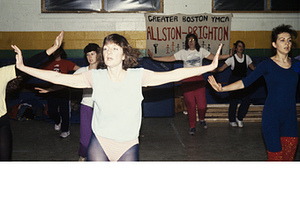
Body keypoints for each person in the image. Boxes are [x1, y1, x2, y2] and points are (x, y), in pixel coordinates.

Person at [12, 33, 222, 162]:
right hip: (100, 144)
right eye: (105, 48)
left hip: (128, 145)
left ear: (124, 54)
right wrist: (24, 68)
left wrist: (209, 66)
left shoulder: (138, 76)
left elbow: (173, 75)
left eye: (114, 48)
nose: (108, 51)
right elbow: (57, 77)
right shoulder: (94, 77)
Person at [208, 24, 299, 161]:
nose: (287, 43)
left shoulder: (296, 65)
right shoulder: (267, 65)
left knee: (288, 160)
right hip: (272, 118)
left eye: (289, 40)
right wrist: (222, 89)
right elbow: (245, 82)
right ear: (274, 44)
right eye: (282, 40)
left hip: (290, 120)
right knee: (276, 160)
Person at [148, 33, 233, 135]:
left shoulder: (201, 51)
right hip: (187, 80)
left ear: (196, 41)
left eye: (192, 40)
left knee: (202, 106)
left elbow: (214, 57)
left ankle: (201, 119)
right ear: (187, 42)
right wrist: (154, 58)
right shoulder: (183, 52)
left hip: (198, 80)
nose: (191, 42)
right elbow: (170, 58)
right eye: (189, 40)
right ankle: (192, 126)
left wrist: (229, 55)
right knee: (191, 105)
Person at [0, 31, 64, 161]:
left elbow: (29, 64)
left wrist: (54, 48)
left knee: (5, 160)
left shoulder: (1, 74)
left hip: (2, 122)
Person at [40, 47, 80, 138]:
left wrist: (73, 79)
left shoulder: (66, 63)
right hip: (51, 89)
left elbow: (79, 69)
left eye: (57, 52)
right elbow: (38, 71)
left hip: (63, 90)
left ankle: (65, 130)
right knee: (51, 110)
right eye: (54, 52)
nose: (55, 54)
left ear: (61, 52)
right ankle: (58, 121)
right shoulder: (48, 63)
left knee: (64, 111)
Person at [214, 40, 255, 127]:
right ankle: (232, 120)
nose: (241, 48)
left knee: (247, 101)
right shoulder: (231, 59)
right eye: (239, 46)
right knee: (234, 101)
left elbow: (253, 69)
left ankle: (239, 118)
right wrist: (212, 69)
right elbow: (221, 69)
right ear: (236, 48)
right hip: (234, 81)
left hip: (244, 81)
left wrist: (264, 71)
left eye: (242, 46)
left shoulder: (247, 58)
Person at [74, 43, 102, 161]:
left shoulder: (105, 72)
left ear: (98, 55)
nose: (90, 57)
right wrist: (50, 89)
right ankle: (82, 157)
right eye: (88, 55)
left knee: (102, 137)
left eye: (93, 54)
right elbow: (65, 81)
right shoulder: (82, 71)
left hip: (102, 108)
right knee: (85, 138)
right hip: (87, 107)